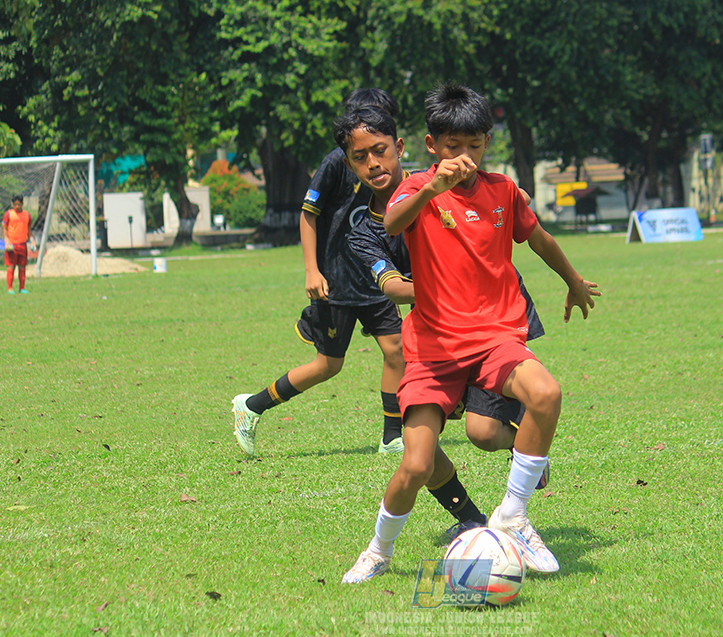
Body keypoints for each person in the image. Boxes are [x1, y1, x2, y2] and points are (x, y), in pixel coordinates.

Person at [343, 83, 600, 584]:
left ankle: (514, 515)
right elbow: (393, 223)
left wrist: (572, 281)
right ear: (431, 145)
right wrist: (434, 188)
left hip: (495, 338)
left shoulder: (503, 190)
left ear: (488, 143)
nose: (465, 157)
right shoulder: (415, 186)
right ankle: (378, 551)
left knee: (545, 393)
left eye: (476, 145)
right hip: (433, 349)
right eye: (453, 146)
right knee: (416, 465)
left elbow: (539, 238)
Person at [231, 89, 405, 457]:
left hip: (376, 279)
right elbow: (308, 214)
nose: (372, 156)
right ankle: (253, 405)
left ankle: (392, 436)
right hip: (337, 281)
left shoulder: (393, 167)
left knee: (397, 350)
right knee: (328, 365)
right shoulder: (336, 163)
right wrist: (312, 269)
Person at [2, 195, 31, 294]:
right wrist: (6, 240)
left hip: (22, 245)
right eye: (15, 204)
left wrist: (32, 241)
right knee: (11, 267)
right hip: (12, 246)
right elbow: (4, 228)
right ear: (12, 205)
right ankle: (10, 288)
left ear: (22, 204)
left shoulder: (27, 215)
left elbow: (29, 230)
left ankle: (22, 288)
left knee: (22, 267)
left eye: (19, 204)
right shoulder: (8, 214)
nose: (17, 206)